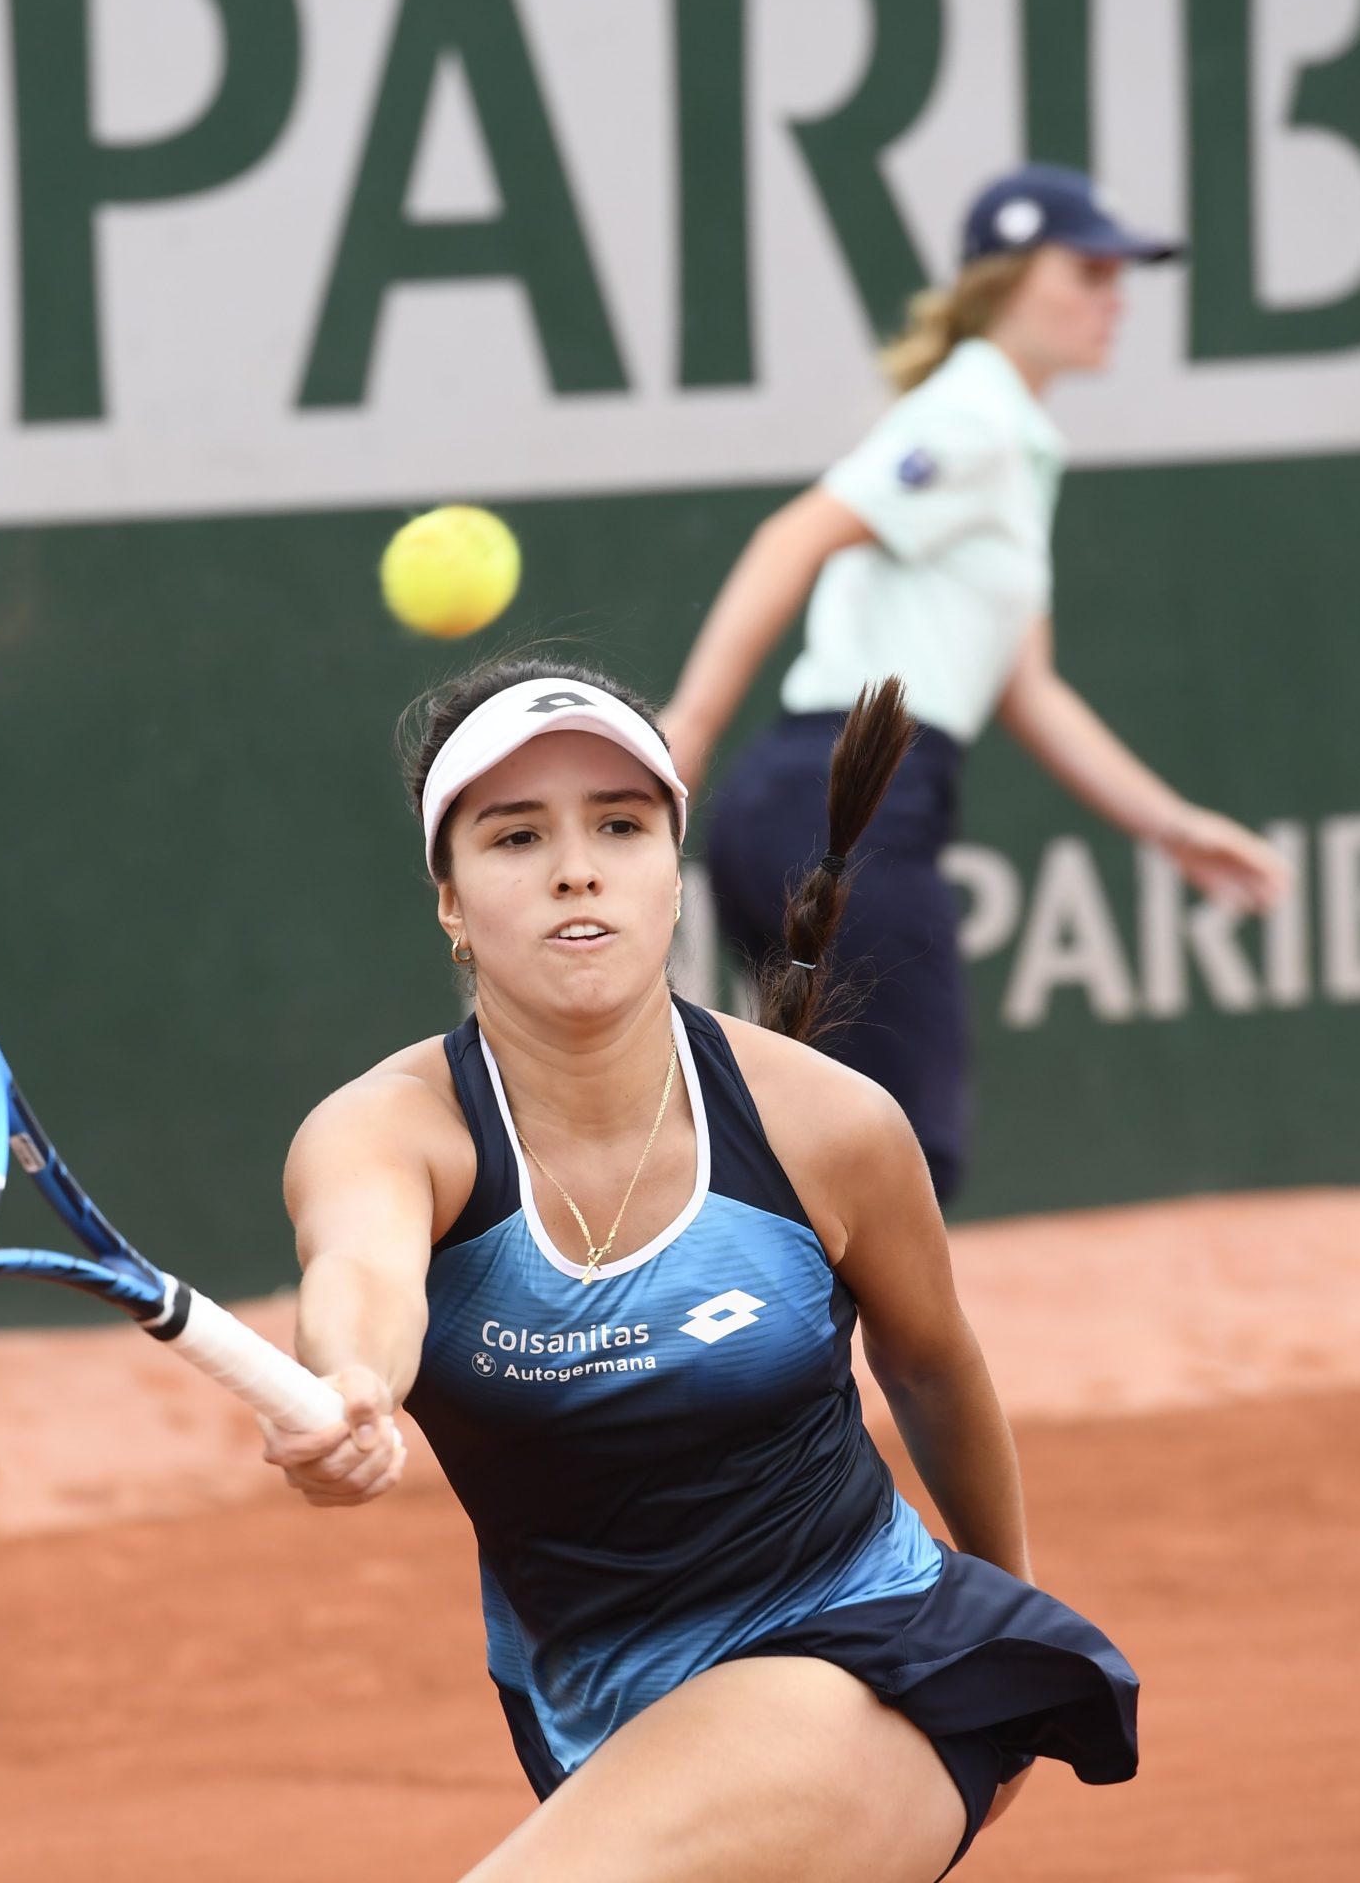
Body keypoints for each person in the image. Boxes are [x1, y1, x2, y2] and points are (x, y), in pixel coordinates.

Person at [263, 654, 1138, 1882]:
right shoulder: (388, 1129)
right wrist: (352, 1380)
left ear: (670, 874)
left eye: (619, 826)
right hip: (599, 1719)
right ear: (451, 903)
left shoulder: (827, 1125)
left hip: (865, 1659)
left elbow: (935, 1366)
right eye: (516, 837)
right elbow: (361, 1270)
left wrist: (1006, 1666)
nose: (576, 865)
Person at [661, 164, 1290, 1203]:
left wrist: (1172, 825)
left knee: (830, 1167)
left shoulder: (1012, 435)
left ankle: (757, 1363)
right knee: (890, 1170)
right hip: (843, 806)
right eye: (1087, 270)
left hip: (828, 807)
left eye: (1118, 273)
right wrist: (691, 719)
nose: (1114, 295)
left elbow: (1028, 685)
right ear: (1005, 283)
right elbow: (796, 533)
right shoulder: (976, 418)